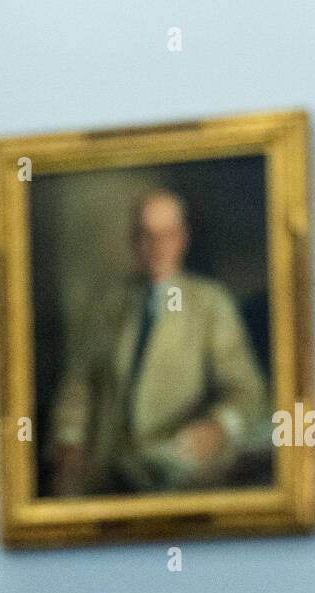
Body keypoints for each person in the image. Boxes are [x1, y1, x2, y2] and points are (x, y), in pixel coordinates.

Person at [49, 189, 268, 495]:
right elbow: (79, 382)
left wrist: (218, 428)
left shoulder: (209, 303)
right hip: (106, 474)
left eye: (166, 235)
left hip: (176, 473)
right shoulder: (109, 303)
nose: (156, 246)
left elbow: (246, 389)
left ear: (182, 238)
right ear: (134, 241)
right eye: (146, 235)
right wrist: (69, 441)